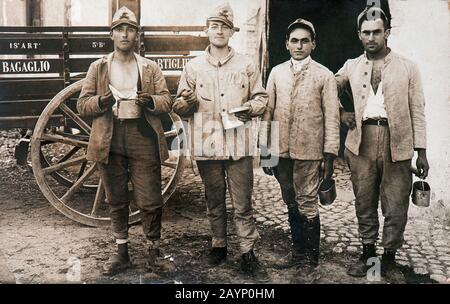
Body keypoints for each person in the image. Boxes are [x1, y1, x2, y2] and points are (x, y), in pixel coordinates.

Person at [172, 3, 269, 280]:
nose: (219, 31)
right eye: (214, 26)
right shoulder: (193, 67)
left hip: (239, 144)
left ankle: (248, 251)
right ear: (207, 30)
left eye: (224, 27)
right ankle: (219, 245)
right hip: (208, 144)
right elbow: (180, 107)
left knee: (243, 202)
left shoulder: (246, 64)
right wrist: (186, 102)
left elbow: (261, 98)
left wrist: (249, 108)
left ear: (231, 32)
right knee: (214, 199)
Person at [77, 6, 173, 275]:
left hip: (143, 136)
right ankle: (122, 254)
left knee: (151, 199)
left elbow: (167, 101)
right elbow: (82, 105)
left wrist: (150, 101)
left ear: (137, 35)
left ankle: (154, 253)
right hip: (109, 138)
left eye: (130, 29)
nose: (125, 34)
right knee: (116, 199)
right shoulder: (98, 68)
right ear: (111, 35)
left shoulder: (150, 68)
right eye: (119, 29)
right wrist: (101, 101)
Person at [336, 6, 429, 282]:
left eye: (377, 32)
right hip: (361, 142)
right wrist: (342, 113)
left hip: (397, 142)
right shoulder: (351, 65)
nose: (371, 37)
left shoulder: (408, 67)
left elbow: (418, 110)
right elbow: (329, 87)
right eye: (366, 33)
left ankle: (389, 259)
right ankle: (368, 254)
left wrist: (421, 152)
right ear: (359, 35)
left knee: (396, 203)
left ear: (387, 33)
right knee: (364, 201)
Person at [259, 18, 340, 279]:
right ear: (286, 44)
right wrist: (265, 149)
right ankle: (296, 252)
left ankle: (312, 258)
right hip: (281, 150)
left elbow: (332, 117)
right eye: (294, 40)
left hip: (309, 150)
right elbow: (268, 111)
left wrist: (329, 154)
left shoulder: (324, 75)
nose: (299, 45)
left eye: (305, 40)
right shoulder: (276, 72)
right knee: (290, 199)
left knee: (307, 201)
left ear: (313, 44)